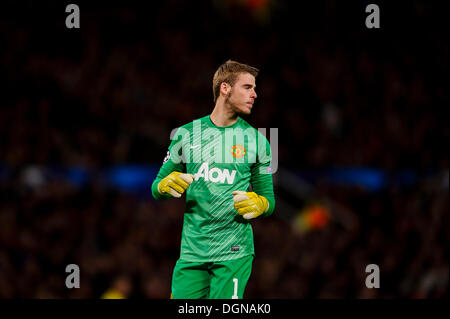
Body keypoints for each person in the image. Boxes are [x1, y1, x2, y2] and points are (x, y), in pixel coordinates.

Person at [151, 60, 275, 299]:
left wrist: (260, 204)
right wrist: (165, 186)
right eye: (248, 87)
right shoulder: (186, 134)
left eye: (254, 88)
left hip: (234, 253)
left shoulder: (258, 141)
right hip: (191, 254)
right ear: (225, 88)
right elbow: (157, 186)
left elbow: (269, 200)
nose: (255, 94)